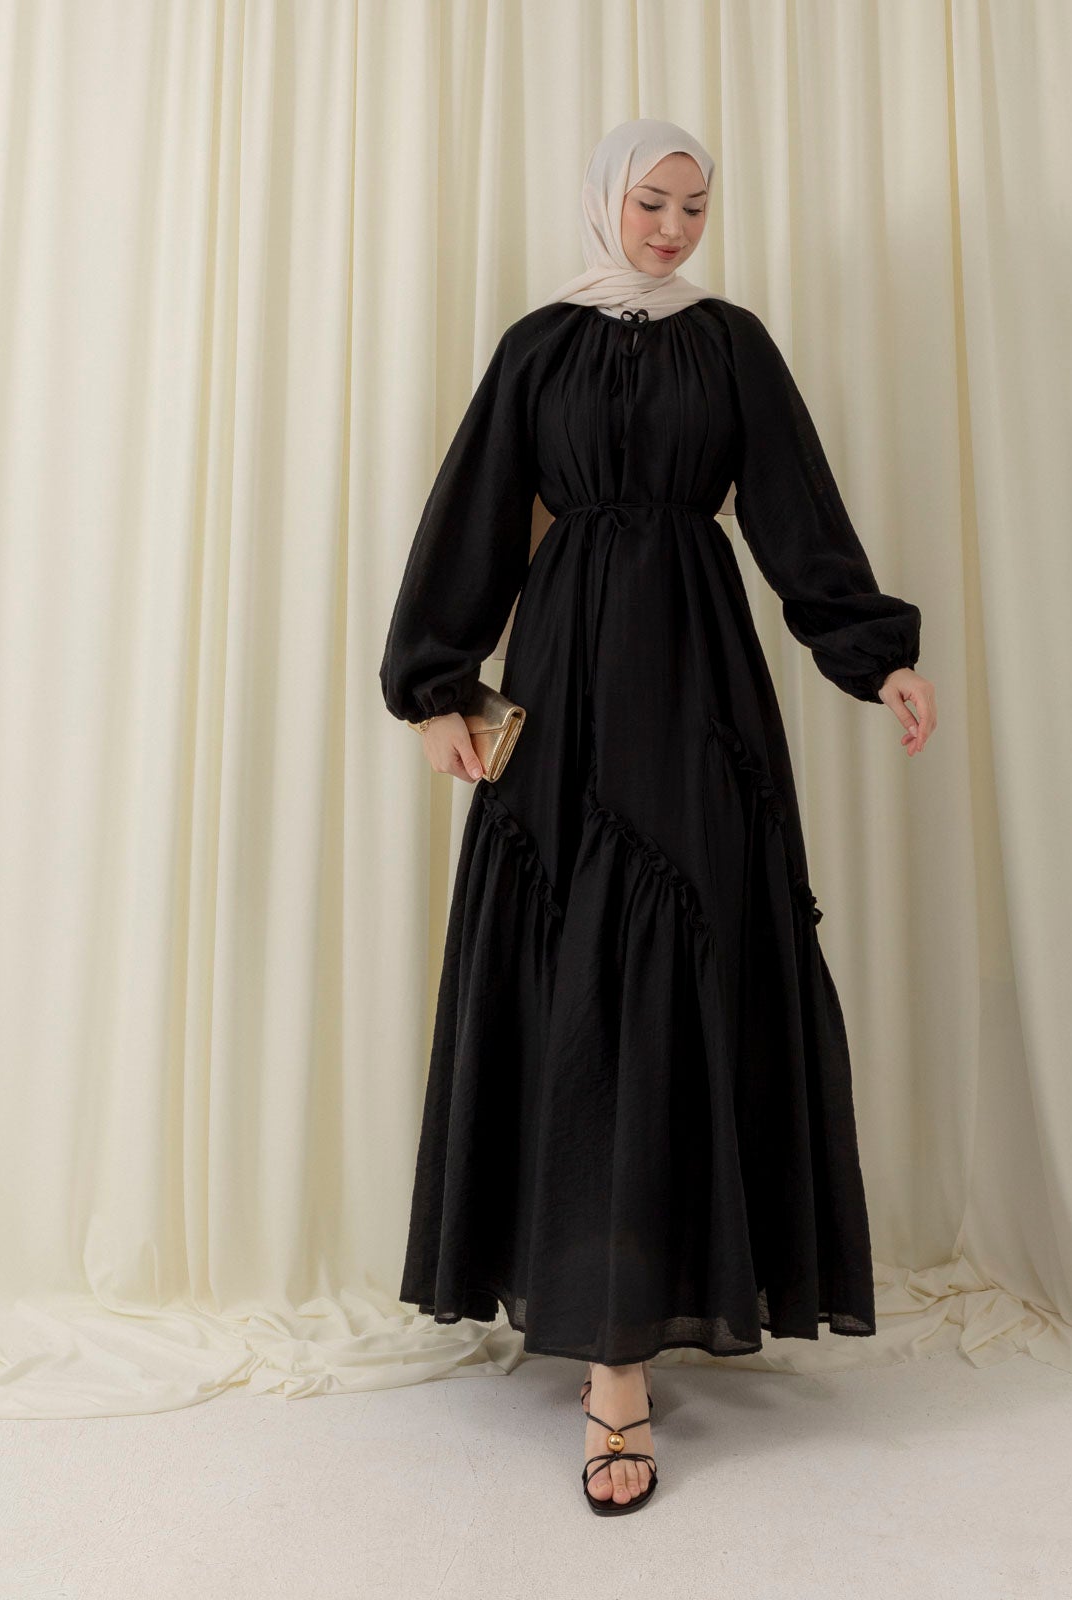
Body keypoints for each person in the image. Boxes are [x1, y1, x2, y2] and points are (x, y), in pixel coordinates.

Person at [379, 117, 936, 1515]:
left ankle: (652, 1304)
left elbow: (798, 516)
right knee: (574, 983)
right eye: (652, 202)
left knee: (686, 969)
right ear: (604, 204)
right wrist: (438, 685)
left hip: (699, 689)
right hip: (561, 687)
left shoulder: (732, 345)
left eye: (694, 206)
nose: (674, 228)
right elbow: (475, 515)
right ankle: (605, 1350)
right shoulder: (539, 348)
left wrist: (875, 654)